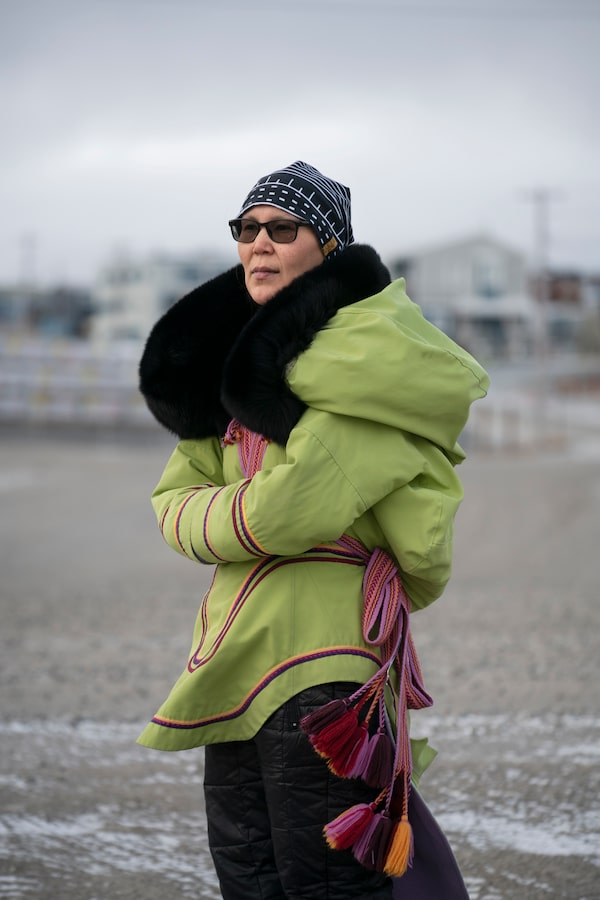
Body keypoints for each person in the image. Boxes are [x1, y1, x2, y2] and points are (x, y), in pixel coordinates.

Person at [138, 160, 489, 899]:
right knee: (248, 878)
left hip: (325, 664)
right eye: (246, 228)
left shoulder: (369, 362)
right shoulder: (235, 370)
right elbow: (171, 503)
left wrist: (228, 512)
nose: (258, 243)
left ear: (327, 246)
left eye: (282, 228)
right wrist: (246, 513)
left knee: (328, 886)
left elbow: (292, 509)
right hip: (233, 655)